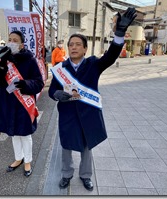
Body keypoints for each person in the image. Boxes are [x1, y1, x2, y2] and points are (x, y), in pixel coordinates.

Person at [48, 7, 137, 191]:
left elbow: (111, 56)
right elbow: (52, 91)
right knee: (66, 146)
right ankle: (66, 174)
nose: (73, 47)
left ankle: (85, 175)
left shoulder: (93, 64)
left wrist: (119, 34)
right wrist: (56, 94)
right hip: (67, 114)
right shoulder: (60, 68)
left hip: (88, 113)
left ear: (85, 48)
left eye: (77, 44)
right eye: (71, 44)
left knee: (87, 146)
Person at [0, 30, 44, 177]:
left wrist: (24, 84)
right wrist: (2, 65)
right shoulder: (4, 58)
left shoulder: (30, 60)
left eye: (15, 40)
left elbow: (39, 82)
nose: (11, 42)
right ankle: (18, 158)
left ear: (21, 45)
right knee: (13, 134)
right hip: (7, 103)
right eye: (10, 39)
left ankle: (28, 161)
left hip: (23, 104)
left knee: (25, 134)